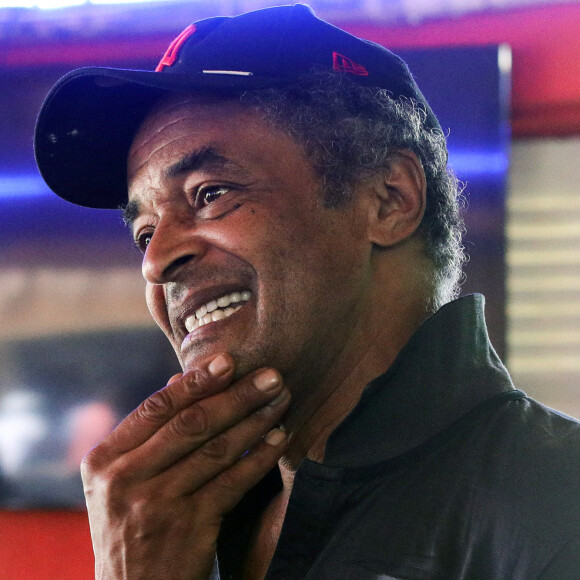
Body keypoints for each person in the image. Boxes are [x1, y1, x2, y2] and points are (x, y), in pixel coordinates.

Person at [34, 5, 580, 579]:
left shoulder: (557, 505)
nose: (155, 262)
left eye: (210, 192)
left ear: (390, 198)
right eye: (144, 231)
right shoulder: (184, 525)